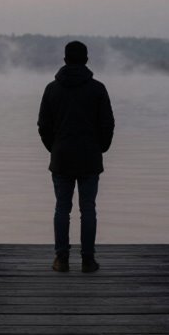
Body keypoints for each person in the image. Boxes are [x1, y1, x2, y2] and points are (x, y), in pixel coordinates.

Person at [38, 40, 115, 273]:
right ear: (86, 60)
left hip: (61, 157)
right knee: (88, 209)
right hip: (89, 157)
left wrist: (54, 147)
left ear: (64, 60)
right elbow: (108, 124)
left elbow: (43, 126)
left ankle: (61, 260)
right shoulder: (98, 89)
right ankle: (88, 260)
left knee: (62, 208)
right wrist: (100, 148)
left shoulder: (52, 89)